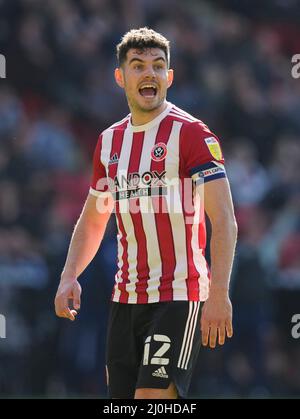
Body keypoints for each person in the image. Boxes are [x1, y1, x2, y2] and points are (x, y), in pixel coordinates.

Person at [54, 27, 238, 399]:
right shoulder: (109, 142)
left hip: (179, 294)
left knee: (151, 401)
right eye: (138, 66)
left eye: (158, 66)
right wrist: (69, 275)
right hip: (125, 298)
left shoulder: (191, 134)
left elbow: (224, 219)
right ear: (121, 77)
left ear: (169, 77)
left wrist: (219, 293)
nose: (149, 74)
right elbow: (94, 218)